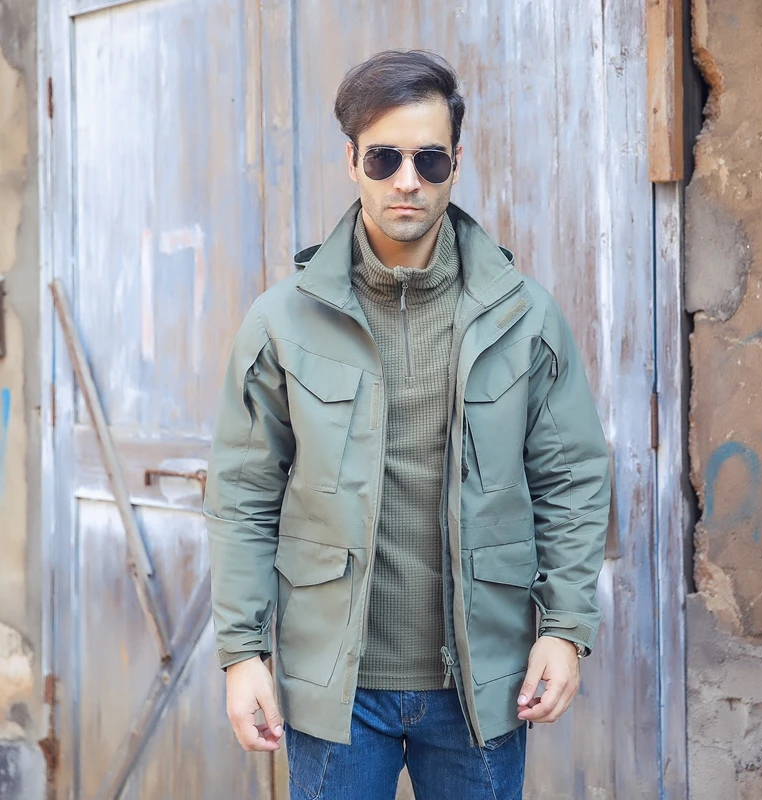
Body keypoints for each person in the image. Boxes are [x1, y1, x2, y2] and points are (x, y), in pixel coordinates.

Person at [205, 49, 610, 800]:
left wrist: (564, 628)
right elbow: (242, 496)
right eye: (384, 157)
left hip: (480, 688)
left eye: (429, 159)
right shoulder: (282, 321)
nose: (406, 180)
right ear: (351, 160)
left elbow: (572, 480)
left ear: (456, 162)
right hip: (335, 690)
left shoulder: (523, 316)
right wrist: (242, 652)